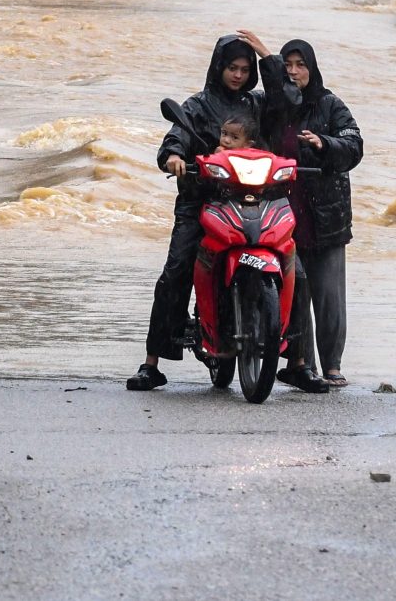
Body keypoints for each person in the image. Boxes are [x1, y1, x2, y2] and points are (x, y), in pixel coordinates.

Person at [127, 34, 329, 394]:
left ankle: (297, 362)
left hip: (258, 199)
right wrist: (174, 157)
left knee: (294, 270)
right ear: (218, 68)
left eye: (244, 69)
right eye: (232, 68)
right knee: (176, 269)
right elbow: (176, 136)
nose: (238, 75)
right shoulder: (197, 105)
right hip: (202, 200)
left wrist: (269, 57)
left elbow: (289, 100)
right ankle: (151, 363)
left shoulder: (260, 103)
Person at [242, 32, 363, 388]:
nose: (294, 72)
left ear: (313, 68)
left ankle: (333, 366)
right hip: (278, 214)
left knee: (328, 295)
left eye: (300, 65)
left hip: (324, 216)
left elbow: (353, 145)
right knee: (295, 290)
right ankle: (302, 365)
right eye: (288, 65)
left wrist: (324, 143)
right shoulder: (269, 106)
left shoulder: (329, 104)